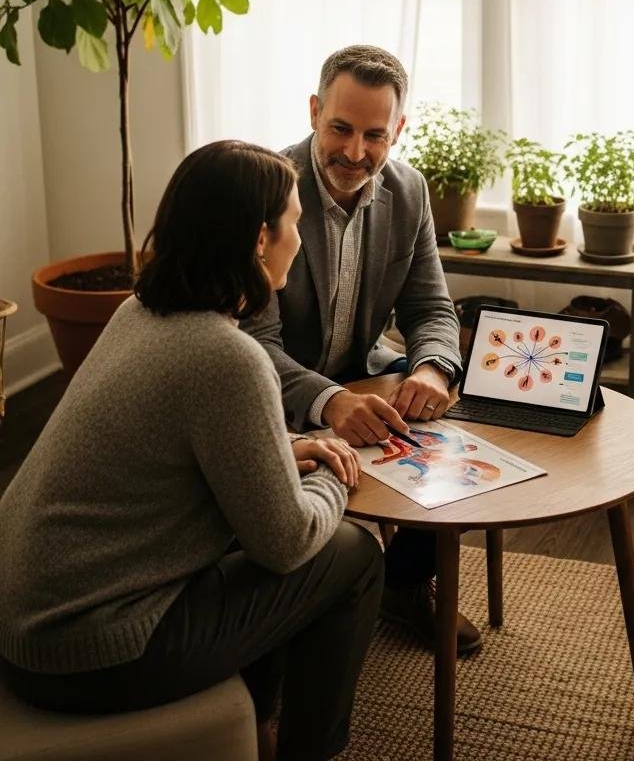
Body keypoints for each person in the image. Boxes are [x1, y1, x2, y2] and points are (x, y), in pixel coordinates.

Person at [0, 141, 382, 761]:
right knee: (350, 552)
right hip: (84, 655)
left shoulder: (138, 313)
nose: (301, 239)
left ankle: (258, 724)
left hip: (25, 621)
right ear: (260, 239)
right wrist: (335, 470)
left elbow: (177, 444)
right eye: (294, 221)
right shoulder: (225, 357)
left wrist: (286, 445)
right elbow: (285, 542)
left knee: (258, 529)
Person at [242, 45, 480, 655]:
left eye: (375, 135)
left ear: (399, 129)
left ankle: (402, 584)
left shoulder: (409, 190)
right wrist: (329, 402)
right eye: (340, 129)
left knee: (467, 412)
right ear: (315, 111)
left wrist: (431, 368)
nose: (355, 153)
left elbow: (430, 308)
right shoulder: (267, 188)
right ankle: (299, 604)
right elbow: (254, 344)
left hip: (365, 370)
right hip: (273, 386)